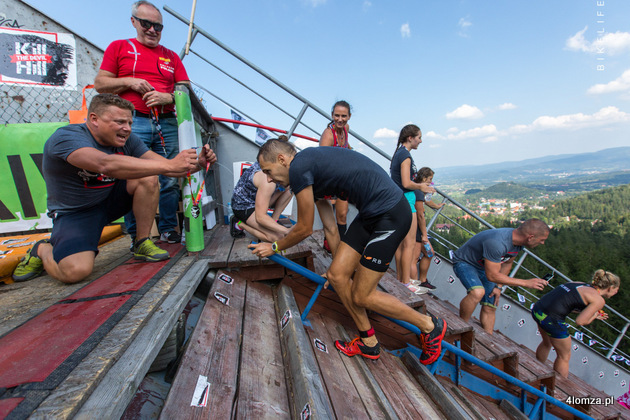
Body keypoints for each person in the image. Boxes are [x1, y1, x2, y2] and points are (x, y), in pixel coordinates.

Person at [248, 138, 447, 365]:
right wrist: (337, 264)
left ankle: (430, 325)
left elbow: (304, 228)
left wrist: (273, 247)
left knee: (362, 295)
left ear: (282, 160)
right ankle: (369, 342)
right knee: (336, 276)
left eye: (268, 171)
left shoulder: (300, 168)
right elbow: (330, 228)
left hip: (390, 215)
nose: (269, 178)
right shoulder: (308, 170)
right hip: (371, 214)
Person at [12, 94, 216, 284]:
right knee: (74, 272)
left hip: (111, 200)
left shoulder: (128, 140)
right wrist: (171, 165)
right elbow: (105, 164)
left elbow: (167, 167)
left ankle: (141, 242)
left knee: (148, 176)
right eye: (119, 122)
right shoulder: (67, 137)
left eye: (129, 122)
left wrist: (197, 163)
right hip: (77, 213)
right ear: (94, 119)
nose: (127, 128)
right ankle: (42, 249)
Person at [94, 0, 189, 246]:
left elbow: (186, 89)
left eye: (158, 26)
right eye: (146, 23)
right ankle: (137, 236)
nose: (152, 30)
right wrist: (129, 81)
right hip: (131, 123)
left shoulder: (170, 56)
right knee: (132, 177)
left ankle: (169, 229)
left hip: (165, 121)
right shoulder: (119, 47)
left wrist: (168, 97)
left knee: (169, 175)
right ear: (134, 22)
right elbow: (101, 84)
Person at [452, 218, 550, 333]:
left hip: (485, 267)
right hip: (465, 262)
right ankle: (460, 328)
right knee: (477, 292)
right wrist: (526, 283)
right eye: (542, 240)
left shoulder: (518, 243)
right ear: (531, 237)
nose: (542, 243)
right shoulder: (498, 242)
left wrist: (498, 287)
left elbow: (507, 263)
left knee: (491, 304)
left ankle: (488, 338)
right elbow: (492, 276)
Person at [532, 270, 620, 378]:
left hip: (538, 309)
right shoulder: (598, 300)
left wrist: (590, 312)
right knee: (564, 356)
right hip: (551, 318)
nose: (616, 292)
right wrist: (593, 316)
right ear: (610, 288)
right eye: (617, 289)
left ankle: (534, 369)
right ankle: (558, 388)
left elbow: (566, 302)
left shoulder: (579, 284)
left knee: (547, 343)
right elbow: (580, 321)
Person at [389, 124, 435, 294]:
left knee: (402, 245)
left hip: (398, 200)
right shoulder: (405, 156)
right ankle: (407, 282)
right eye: (419, 137)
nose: (420, 141)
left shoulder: (399, 153)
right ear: (410, 138)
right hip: (406, 201)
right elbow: (406, 183)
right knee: (408, 244)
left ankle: (402, 280)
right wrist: (422, 187)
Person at [230, 158, 293, 242]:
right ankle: (239, 223)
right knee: (277, 238)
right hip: (244, 207)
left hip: (260, 200)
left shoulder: (273, 167)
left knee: (290, 188)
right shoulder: (268, 179)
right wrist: (287, 231)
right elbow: (261, 217)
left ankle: (274, 220)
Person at [319, 100, 352, 252]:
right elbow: (322, 162)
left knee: (343, 215)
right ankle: (329, 242)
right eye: (336, 115)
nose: (340, 119)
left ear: (349, 116)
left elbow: (346, 146)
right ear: (332, 115)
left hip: (342, 178)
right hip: (329, 179)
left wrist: (351, 152)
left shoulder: (346, 128)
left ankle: (343, 247)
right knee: (331, 220)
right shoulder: (328, 134)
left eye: (343, 116)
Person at [410, 167, 445, 290]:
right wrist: (424, 235)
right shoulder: (418, 191)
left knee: (429, 253)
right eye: (430, 179)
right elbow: (420, 215)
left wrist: (437, 205)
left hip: (419, 231)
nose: (430, 182)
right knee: (413, 259)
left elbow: (425, 201)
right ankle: (414, 286)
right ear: (424, 178)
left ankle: (422, 281)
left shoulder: (419, 191)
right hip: (417, 230)